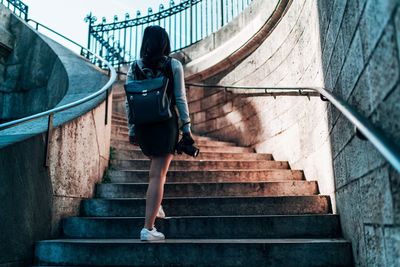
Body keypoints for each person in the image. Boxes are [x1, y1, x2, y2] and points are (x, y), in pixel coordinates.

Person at [125, 25, 193, 241]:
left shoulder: (134, 67)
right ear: (165, 42)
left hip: (144, 125)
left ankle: (156, 205)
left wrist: (132, 128)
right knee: (158, 175)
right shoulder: (173, 65)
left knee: (155, 172)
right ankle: (148, 228)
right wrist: (187, 128)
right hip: (165, 125)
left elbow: (129, 102)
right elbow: (180, 98)